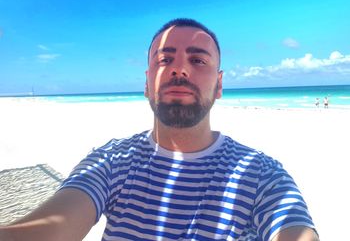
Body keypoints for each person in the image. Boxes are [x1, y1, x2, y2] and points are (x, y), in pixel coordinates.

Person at [0, 18, 319, 241]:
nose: (179, 68)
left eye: (198, 60)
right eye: (165, 59)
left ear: (219, 85)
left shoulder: (260, 175)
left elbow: (293, 230)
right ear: (146, 82)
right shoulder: (112, 161)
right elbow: (47, 229)